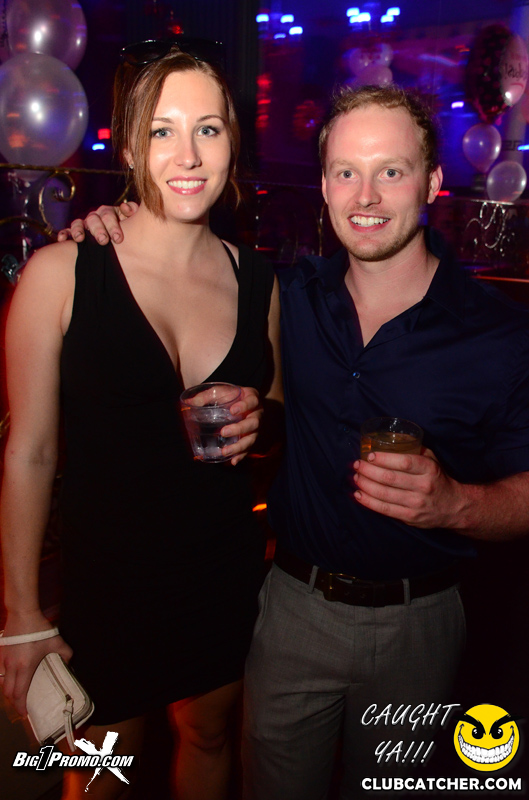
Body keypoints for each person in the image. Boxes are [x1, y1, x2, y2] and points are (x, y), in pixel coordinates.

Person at [75, 85, 529, 799]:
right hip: (289, 611)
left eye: (391, 170)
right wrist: (113, 222)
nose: (365, 195)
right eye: (346, 171)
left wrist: (456, 504)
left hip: (421, 623)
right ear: (322, 185)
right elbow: (186, 269)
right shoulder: (285, 296)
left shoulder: (499, 334)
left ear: (433, 182)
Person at [0, 40, 281, 800]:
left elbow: (281, 414)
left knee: (209, 735)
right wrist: (22, 614)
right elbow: (29, 452)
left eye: (208, 129)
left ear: (231, 142)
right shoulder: (61, 273)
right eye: (161, 130)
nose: (187, 155)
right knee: (100, 773)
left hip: (219, 572)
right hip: (108, 590)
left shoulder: (258, 279)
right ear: (127, 146)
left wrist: (261, 420)